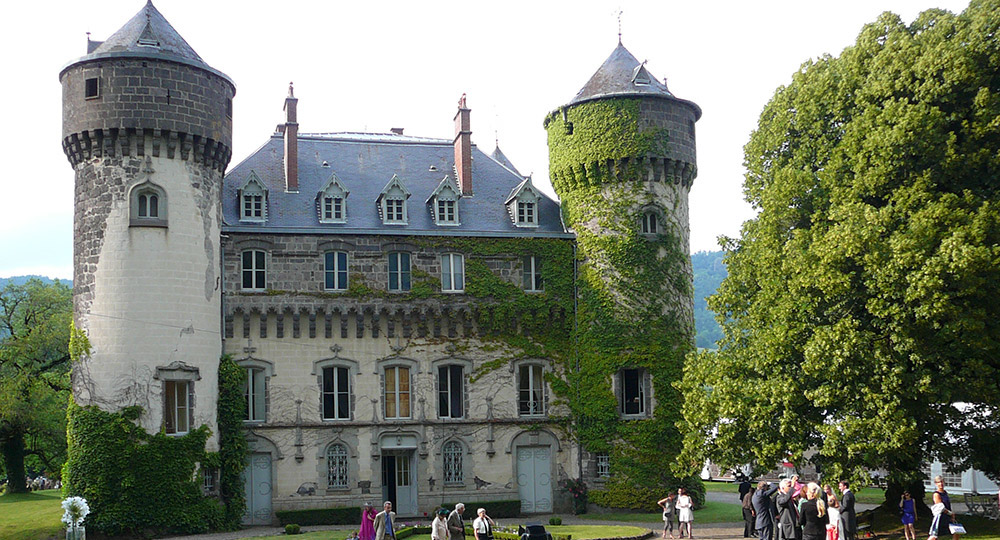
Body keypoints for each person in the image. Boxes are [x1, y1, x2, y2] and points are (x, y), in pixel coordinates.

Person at [928, 475, 961, 540]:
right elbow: (940, 508)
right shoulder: (936, 494)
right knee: (934, 536)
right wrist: (950, 513)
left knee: (956, 531)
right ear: (936, 484)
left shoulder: (945, 493)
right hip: (940, 517)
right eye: (939, 482)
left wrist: (951, 516)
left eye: (942, 482)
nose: (941, 484)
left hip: (947, 516)